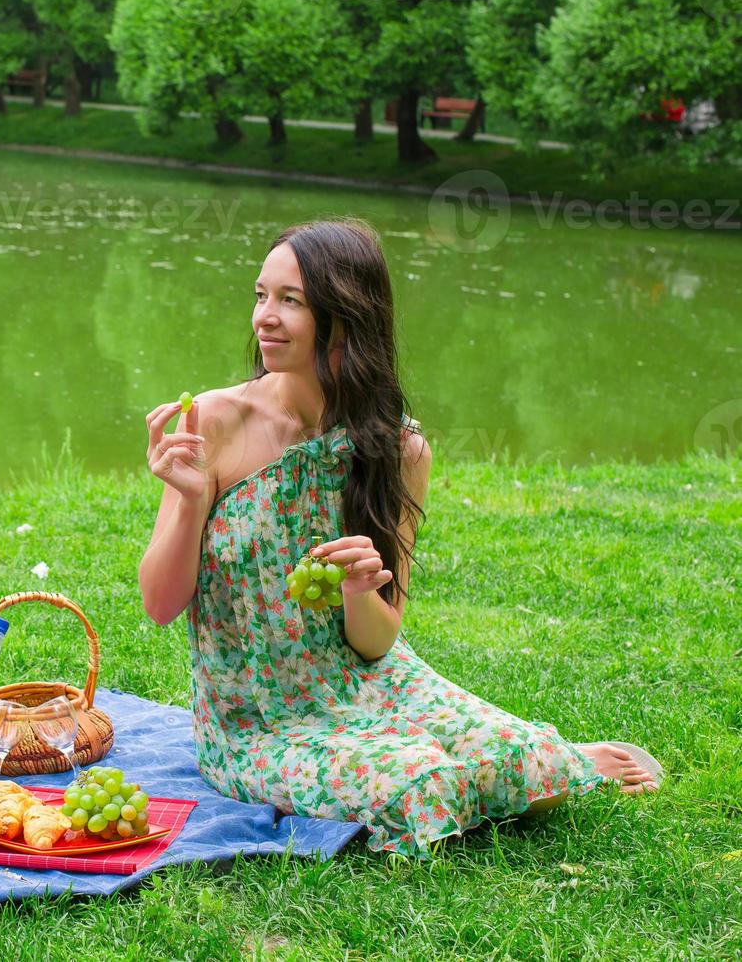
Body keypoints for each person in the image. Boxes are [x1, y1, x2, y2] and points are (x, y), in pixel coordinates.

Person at [137, 219, 660, 857]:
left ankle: (550, 757)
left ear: (347, 315)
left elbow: (378, 641)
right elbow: (161, 605)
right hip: (259, 724)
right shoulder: (214, 422)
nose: (264, 318)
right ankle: (484, 767)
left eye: (290, 301)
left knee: (531, 765)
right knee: (419, 784)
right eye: (260, 295)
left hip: (375, 681)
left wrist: (361, 589)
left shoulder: (398, 448)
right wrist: (190, 501)